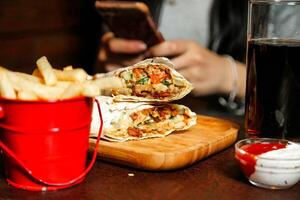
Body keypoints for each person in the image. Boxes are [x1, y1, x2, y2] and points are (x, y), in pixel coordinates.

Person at [97, 0, 248, 113]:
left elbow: (271, 86)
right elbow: (98, 70)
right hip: (136, 118)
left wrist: (228, 75)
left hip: (232, 131)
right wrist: (110, 68)